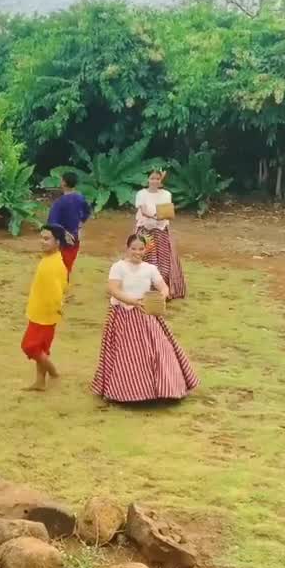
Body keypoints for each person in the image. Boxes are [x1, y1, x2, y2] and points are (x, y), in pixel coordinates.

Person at [91, 234, 198, 402]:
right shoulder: (118, 267)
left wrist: (160, 297)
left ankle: (162, 388)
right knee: (126, 353)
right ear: (127, 248)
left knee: (159, 350)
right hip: (123, 315)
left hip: (146, 314)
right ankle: (127, 391)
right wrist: (133, 301)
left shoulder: (150, 268)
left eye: (141, 249)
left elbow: (164, 288)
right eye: (133, 248)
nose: (137, 252)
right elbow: (113, 289)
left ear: (145, 250)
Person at [22, 225, 70, 391]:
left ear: (57, 242)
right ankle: (40, 382)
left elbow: (58, 291)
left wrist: (56, 308)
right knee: (40, 348)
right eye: (41, 237)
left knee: (30, 346)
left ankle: (52, 371)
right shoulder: (50, 259)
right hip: (39, 312)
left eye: (46, 238)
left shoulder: (54, 264)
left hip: (44, 315)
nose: (42, 242)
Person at [134, 170, 188, 299]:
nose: (155, 181)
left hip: (161, 230)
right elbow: (143, 211)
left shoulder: (166, 194)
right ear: (148, 179)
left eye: (157, 179)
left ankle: (163, 291)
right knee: (144, 258)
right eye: (152, 178)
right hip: (145, 230)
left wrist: (162, 217)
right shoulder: (141, 194)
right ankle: (142, 290)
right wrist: (155, 216)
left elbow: (167, 212)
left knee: (164, 261)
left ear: (161, 180)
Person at [47, 171, 92, 274]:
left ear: (63, 183)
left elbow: (52, 222)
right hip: (75, 237)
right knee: (68, 266)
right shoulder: (80, 198)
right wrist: (80, 224)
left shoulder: (59, 203)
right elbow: (87, 212)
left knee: (59, 267)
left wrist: (64, 233)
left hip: (62, 240)